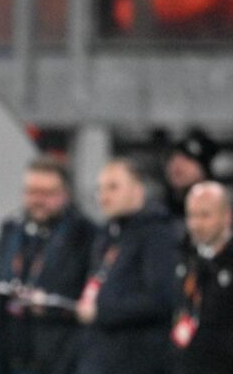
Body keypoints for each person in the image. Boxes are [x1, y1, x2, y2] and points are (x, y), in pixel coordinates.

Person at [0, 157, 96, 374]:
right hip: (6, 357)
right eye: (31, 192)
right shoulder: (11, 229)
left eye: (47, 193)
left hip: (59, 358)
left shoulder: (85, 234)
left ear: (65, 194)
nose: (38, 200)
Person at [75, 158, 175, 374]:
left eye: (113, 187)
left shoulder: (157, 234)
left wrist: (103, 312)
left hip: (135, 360)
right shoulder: (107, 234)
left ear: (138, 190)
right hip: (99, 355)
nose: (103, 196)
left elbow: (160, 299)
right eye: (100, 189)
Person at [172, 181, 233, 373]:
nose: (196, 224)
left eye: (205, 215)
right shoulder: (182, 256)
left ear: (227, 216)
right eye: (191, 215)